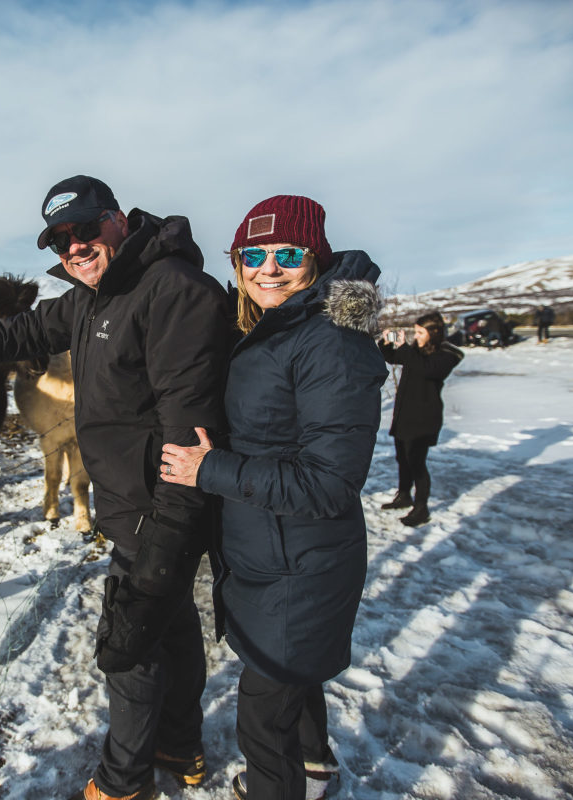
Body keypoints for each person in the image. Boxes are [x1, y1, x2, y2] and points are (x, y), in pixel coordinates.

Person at [0, 175, 230, 800]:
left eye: (85, 229)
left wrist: (169, 529)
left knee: (129, 643)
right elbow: (28, 332)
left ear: (118, 219)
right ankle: (180, 745)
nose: (74, 247)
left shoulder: (171, 291)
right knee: (169, 627)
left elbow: (187, 423)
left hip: (156, 505)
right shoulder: (93, 295)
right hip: (129, 500)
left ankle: (122, 781)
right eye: (59, 240)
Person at [159, 195, 387, 800]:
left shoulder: (330, 342)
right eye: (251, 254)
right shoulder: (280, 327)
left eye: (287, 253)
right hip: (277, 552)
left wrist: (211, 470)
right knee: (291, 679)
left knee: (263, 715)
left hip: (301, 563)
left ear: (316, 257)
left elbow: (331, 481)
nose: (268, 267)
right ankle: (313, 770)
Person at [379, 312, 464, 527]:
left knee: (417, 463)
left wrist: (404, 347)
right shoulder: (417, 351)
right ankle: (404, 495)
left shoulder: (446, 354)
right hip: (405, 414)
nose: (415, 336)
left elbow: (428, 370)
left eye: (420, 332)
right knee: (403, 458)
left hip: (424, 418)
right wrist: (386, 342)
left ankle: (421, 507)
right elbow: (394, 358)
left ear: (434, 332)